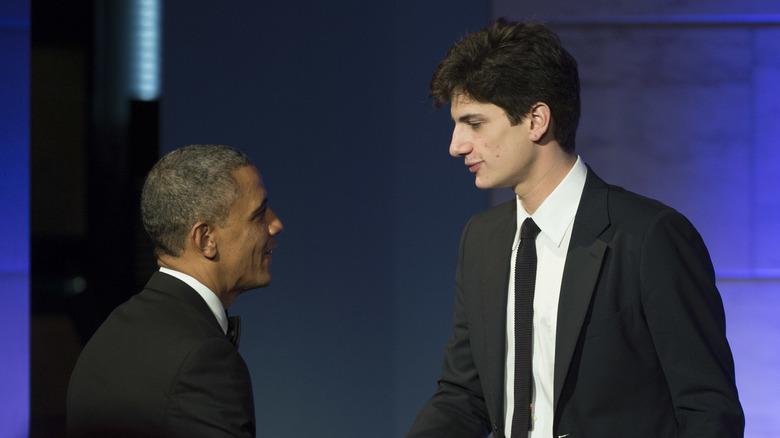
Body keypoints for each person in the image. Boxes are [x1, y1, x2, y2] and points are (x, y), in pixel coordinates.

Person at [407, 19, 744, 438]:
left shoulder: (650, 237)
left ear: (536, 120)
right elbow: (463, 396)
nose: (457, 145)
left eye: (474, 124)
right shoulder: (481, 239)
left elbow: (708, 410)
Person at [67, 144, 283, 437]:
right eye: (259, 214)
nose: (275, 224)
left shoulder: (107, 336)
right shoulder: (205, 358)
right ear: (205, 239)